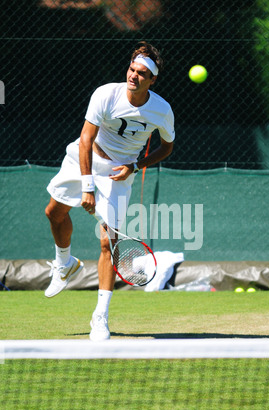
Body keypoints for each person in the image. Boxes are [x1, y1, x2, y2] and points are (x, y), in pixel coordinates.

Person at [45, 41, 175, 341]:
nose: (134, 76)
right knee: (53, 213)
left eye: (142, 73)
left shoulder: (162, 111)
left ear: (152, 80)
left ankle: (100, 317)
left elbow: (167, 147)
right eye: (132, 69)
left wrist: (136, 165)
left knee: (109, 244)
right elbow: (86, 139)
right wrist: (88, 187)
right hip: (86, 158)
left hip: (119, 174)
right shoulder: (106, 93)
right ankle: (65, 263)